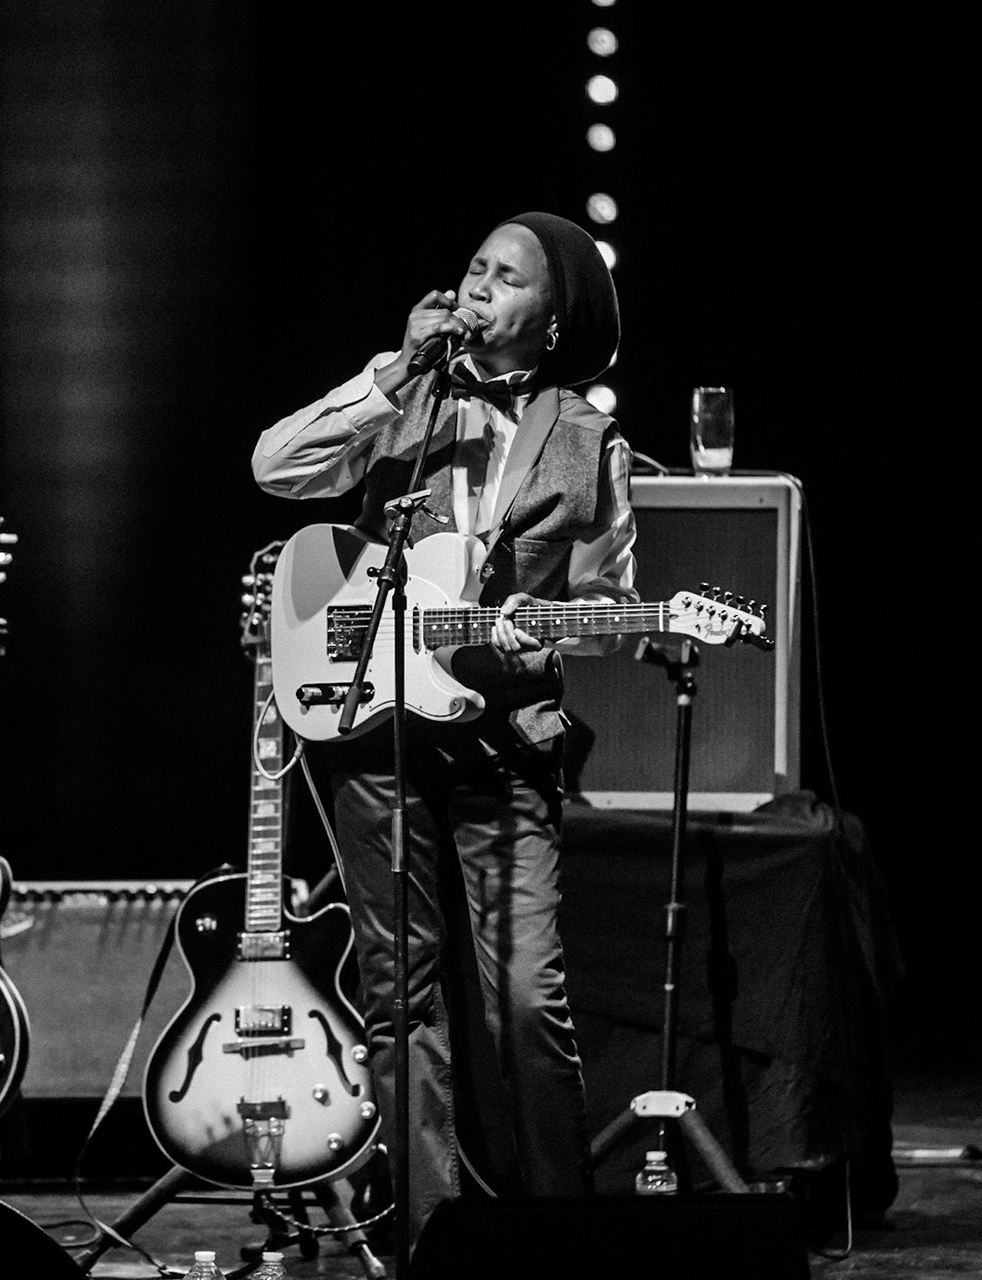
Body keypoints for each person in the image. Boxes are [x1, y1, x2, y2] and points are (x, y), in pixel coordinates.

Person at [251, 212, 635, 1243]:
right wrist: (388, 377)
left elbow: (610, 613)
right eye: (474, 265)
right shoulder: (405, 394)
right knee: (400, 1002)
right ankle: (430, 1238)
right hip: (376, 735)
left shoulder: (590, 440)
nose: (477, 285)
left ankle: (564, 1235)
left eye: (506, 278)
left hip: (504, 745)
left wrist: (545, 632)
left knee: (521, 1003)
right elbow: (276, 468)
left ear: (549, 324)